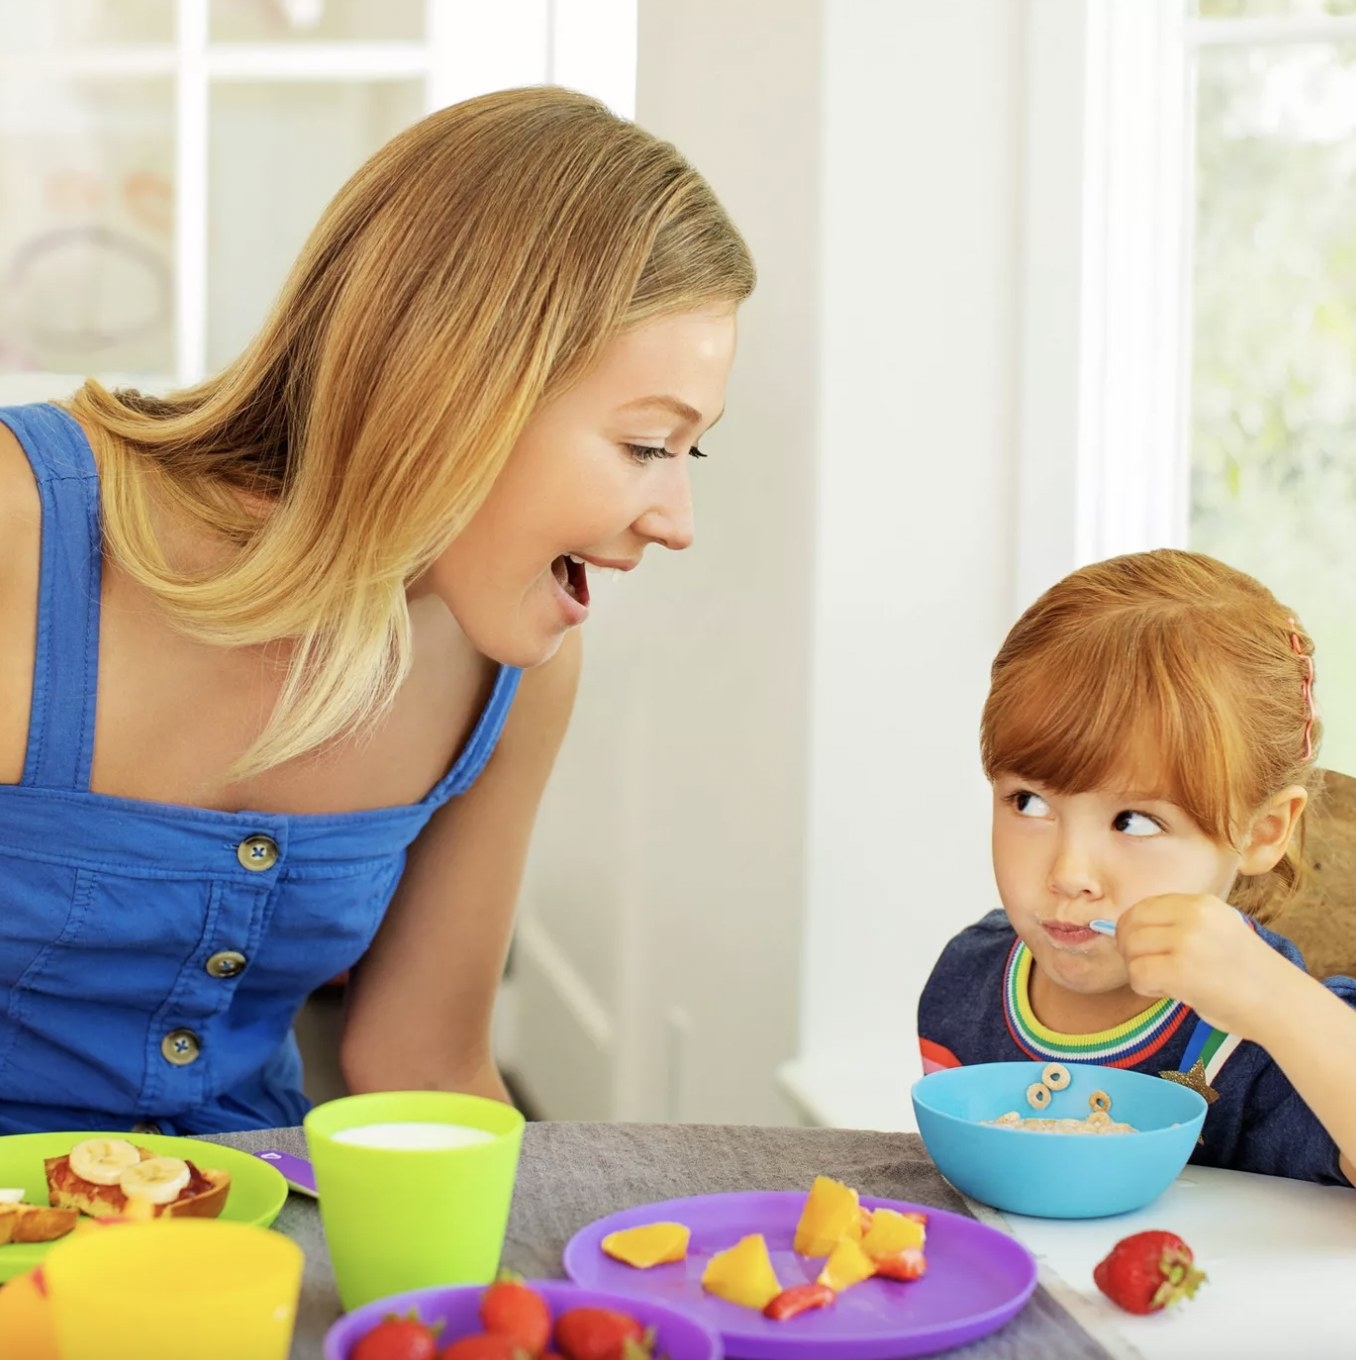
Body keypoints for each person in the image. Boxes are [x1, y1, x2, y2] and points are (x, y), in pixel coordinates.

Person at [0, 86, 754, 1135]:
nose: (675, 519)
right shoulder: (21, 533)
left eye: (692, 448)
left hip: (249, 1258)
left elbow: (425, 1065)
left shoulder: (515, 669)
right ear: (461, 387)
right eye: (645, 445)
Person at [918, 548, 1356, 1184]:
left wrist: (1271, 1000)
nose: (1068, 874)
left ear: (1262, 832)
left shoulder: (1280, 1038)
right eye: (1029, 802)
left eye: (1134, 822)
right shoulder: (966, 982)